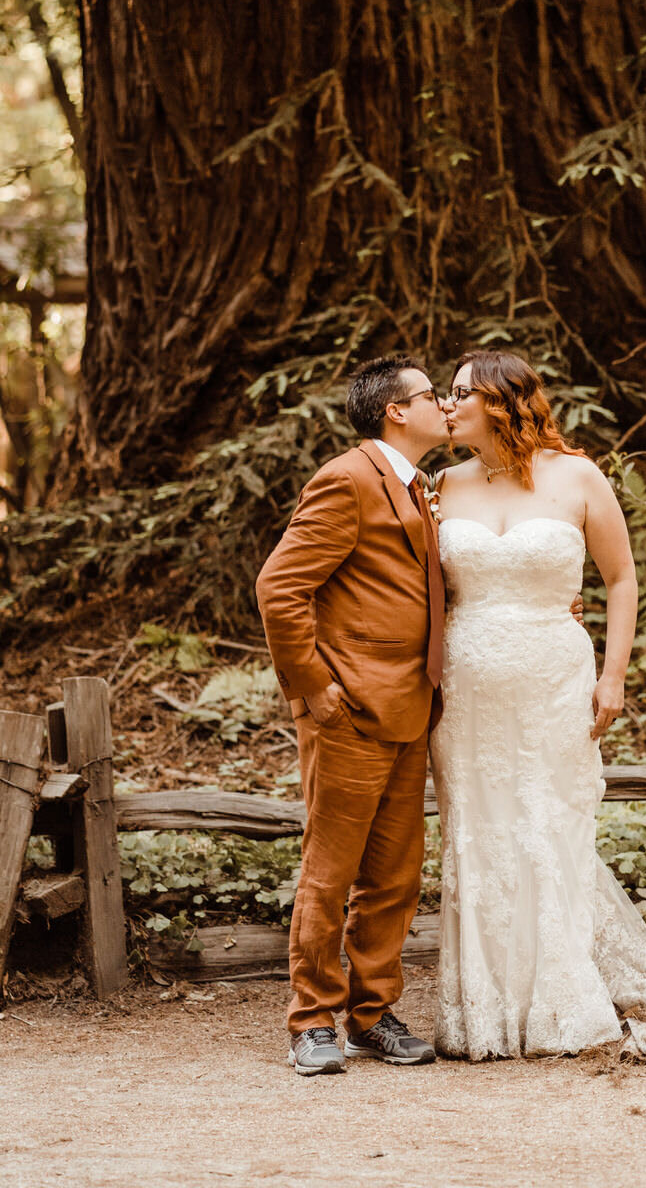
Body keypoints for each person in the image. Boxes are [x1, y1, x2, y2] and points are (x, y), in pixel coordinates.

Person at [431, 347, 646, 1062]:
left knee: (551, 824)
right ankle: (485, 1011)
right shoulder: (441, 485)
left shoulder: (577, 475)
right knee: (477, 833)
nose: (446, 405)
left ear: (500, 399)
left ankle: (559, 1000)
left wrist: (612, 677)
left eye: (459, 393)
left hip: (553, 677)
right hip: (467, 687)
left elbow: (623, 577)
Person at [255, 354, 449, 1075]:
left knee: (395, 878)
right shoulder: (346, 477)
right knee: (329, 874)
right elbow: (279, 587)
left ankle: (371, 1014)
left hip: (411, 707)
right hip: (349, 712)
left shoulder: (419, 487)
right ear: (395, 410)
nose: (444, 406)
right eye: (432, 395)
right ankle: (310, 1021)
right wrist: (311, 688)